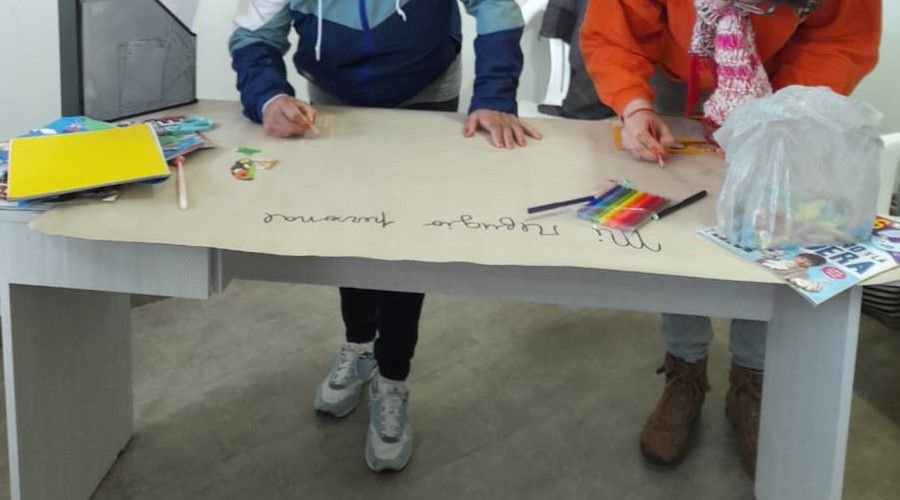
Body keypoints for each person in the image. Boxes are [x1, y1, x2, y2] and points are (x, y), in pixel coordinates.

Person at [229, 0, 539, 472]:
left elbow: (495, 5)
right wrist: (269, 98)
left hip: (425, 89)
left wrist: (495, 94)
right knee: (349, 226)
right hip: (336, 91)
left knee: (405, 238)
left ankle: (393, 374)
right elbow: (253, 35)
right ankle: (359, 344)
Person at [581, 0, 880, 475]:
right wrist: (633, 104)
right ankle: (684, 371)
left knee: (772, 228)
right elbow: (616, 30)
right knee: (678, 230)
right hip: (675, 81)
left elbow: (840, 38)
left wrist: (781, 115)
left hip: (782, 83)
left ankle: (752, 379)